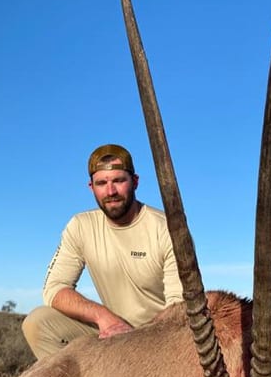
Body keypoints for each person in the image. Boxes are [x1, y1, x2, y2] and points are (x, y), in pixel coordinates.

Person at [22, 143, 183, 359]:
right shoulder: (80, 226)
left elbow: (178, 309)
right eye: (101, 183)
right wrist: (104, 317)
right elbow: (54, 288)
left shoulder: (167, 228)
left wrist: (144, 340)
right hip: (111, 330)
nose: (110, 191)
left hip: (160, 337)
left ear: (135, 182)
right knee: (38, 323)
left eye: (118, 180)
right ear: (91, 187)